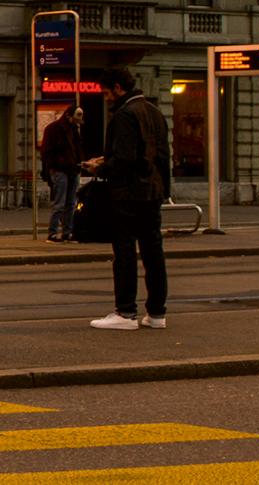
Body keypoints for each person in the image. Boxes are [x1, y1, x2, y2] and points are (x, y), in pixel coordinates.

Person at [86, 66, 170, 330]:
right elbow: (163, 156)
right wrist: (163, 191)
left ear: (118, 88)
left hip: (127, 193)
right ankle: (157, 313)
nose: (106, 97)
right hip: (152, 192)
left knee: (124, 252)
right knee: (153, 252)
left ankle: (125, 312)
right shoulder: (155, 112)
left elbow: (124, 159)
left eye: (107, 92)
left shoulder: (125, 115)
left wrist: (98, 167)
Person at [41, 107, 83, 242]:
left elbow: (77, 148)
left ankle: (67, 232)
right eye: (78, 116)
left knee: (70, 203)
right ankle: (53, 233)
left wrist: (80, 162)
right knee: (60, 202)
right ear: (69, 116)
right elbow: (46, 152)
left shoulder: (73, 129)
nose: (79, 120)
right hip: (60, 170)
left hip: (72, 169)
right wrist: (53, 166)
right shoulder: (53, 129)